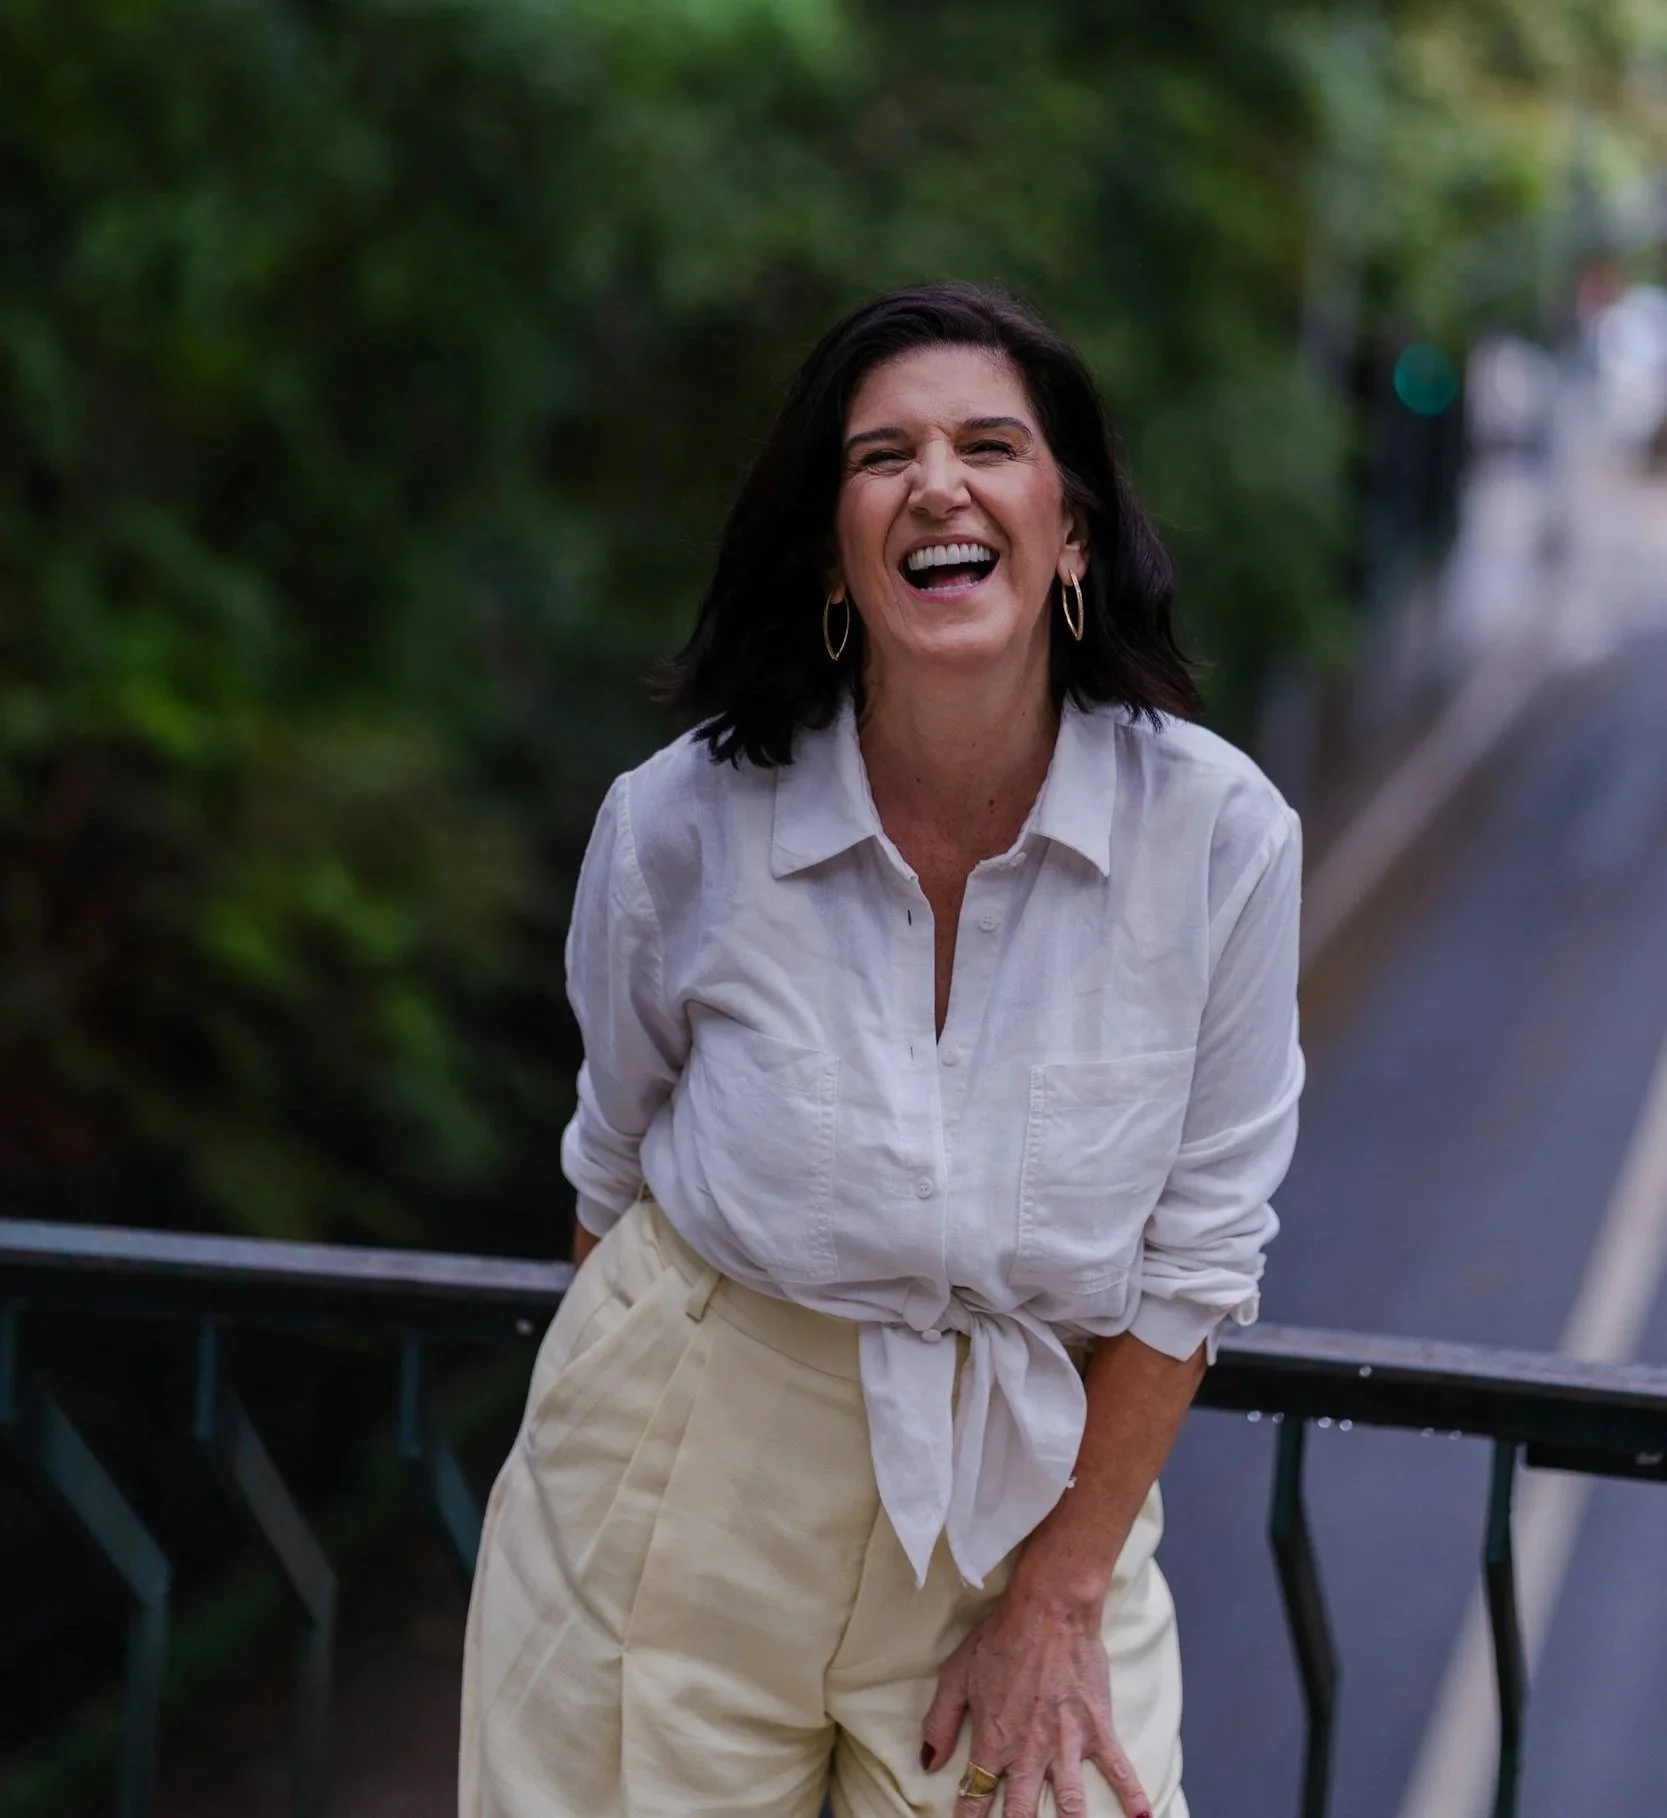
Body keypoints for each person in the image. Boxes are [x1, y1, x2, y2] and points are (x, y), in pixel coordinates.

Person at [460, 282, 1304, 1818]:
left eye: (989, 445)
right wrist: (617, 1459)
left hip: (1028, 1515)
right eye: (880, 456)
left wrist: (1059, 1590)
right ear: (833, 553)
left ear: (1071, 533)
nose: (936, 484)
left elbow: (1199, 1251)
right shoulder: (679, 824)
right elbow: (612, 1169)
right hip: (678, 1492)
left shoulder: (1217, 838)